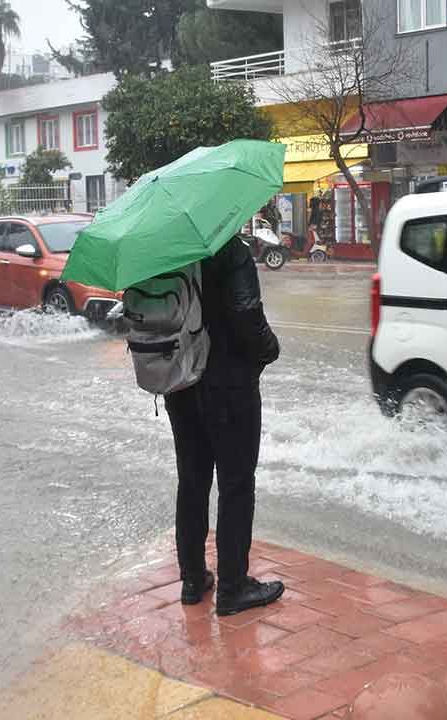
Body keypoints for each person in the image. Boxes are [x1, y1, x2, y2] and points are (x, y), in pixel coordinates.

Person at [163, 233, 284, 616]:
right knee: (236, 484)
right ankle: (233, 586)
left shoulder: (165, 249)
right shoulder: (230, 249)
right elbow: (247, 313)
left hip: (180, 382)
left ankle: (193, 579)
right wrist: (269, 350)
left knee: (192, 480)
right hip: (228, 386)